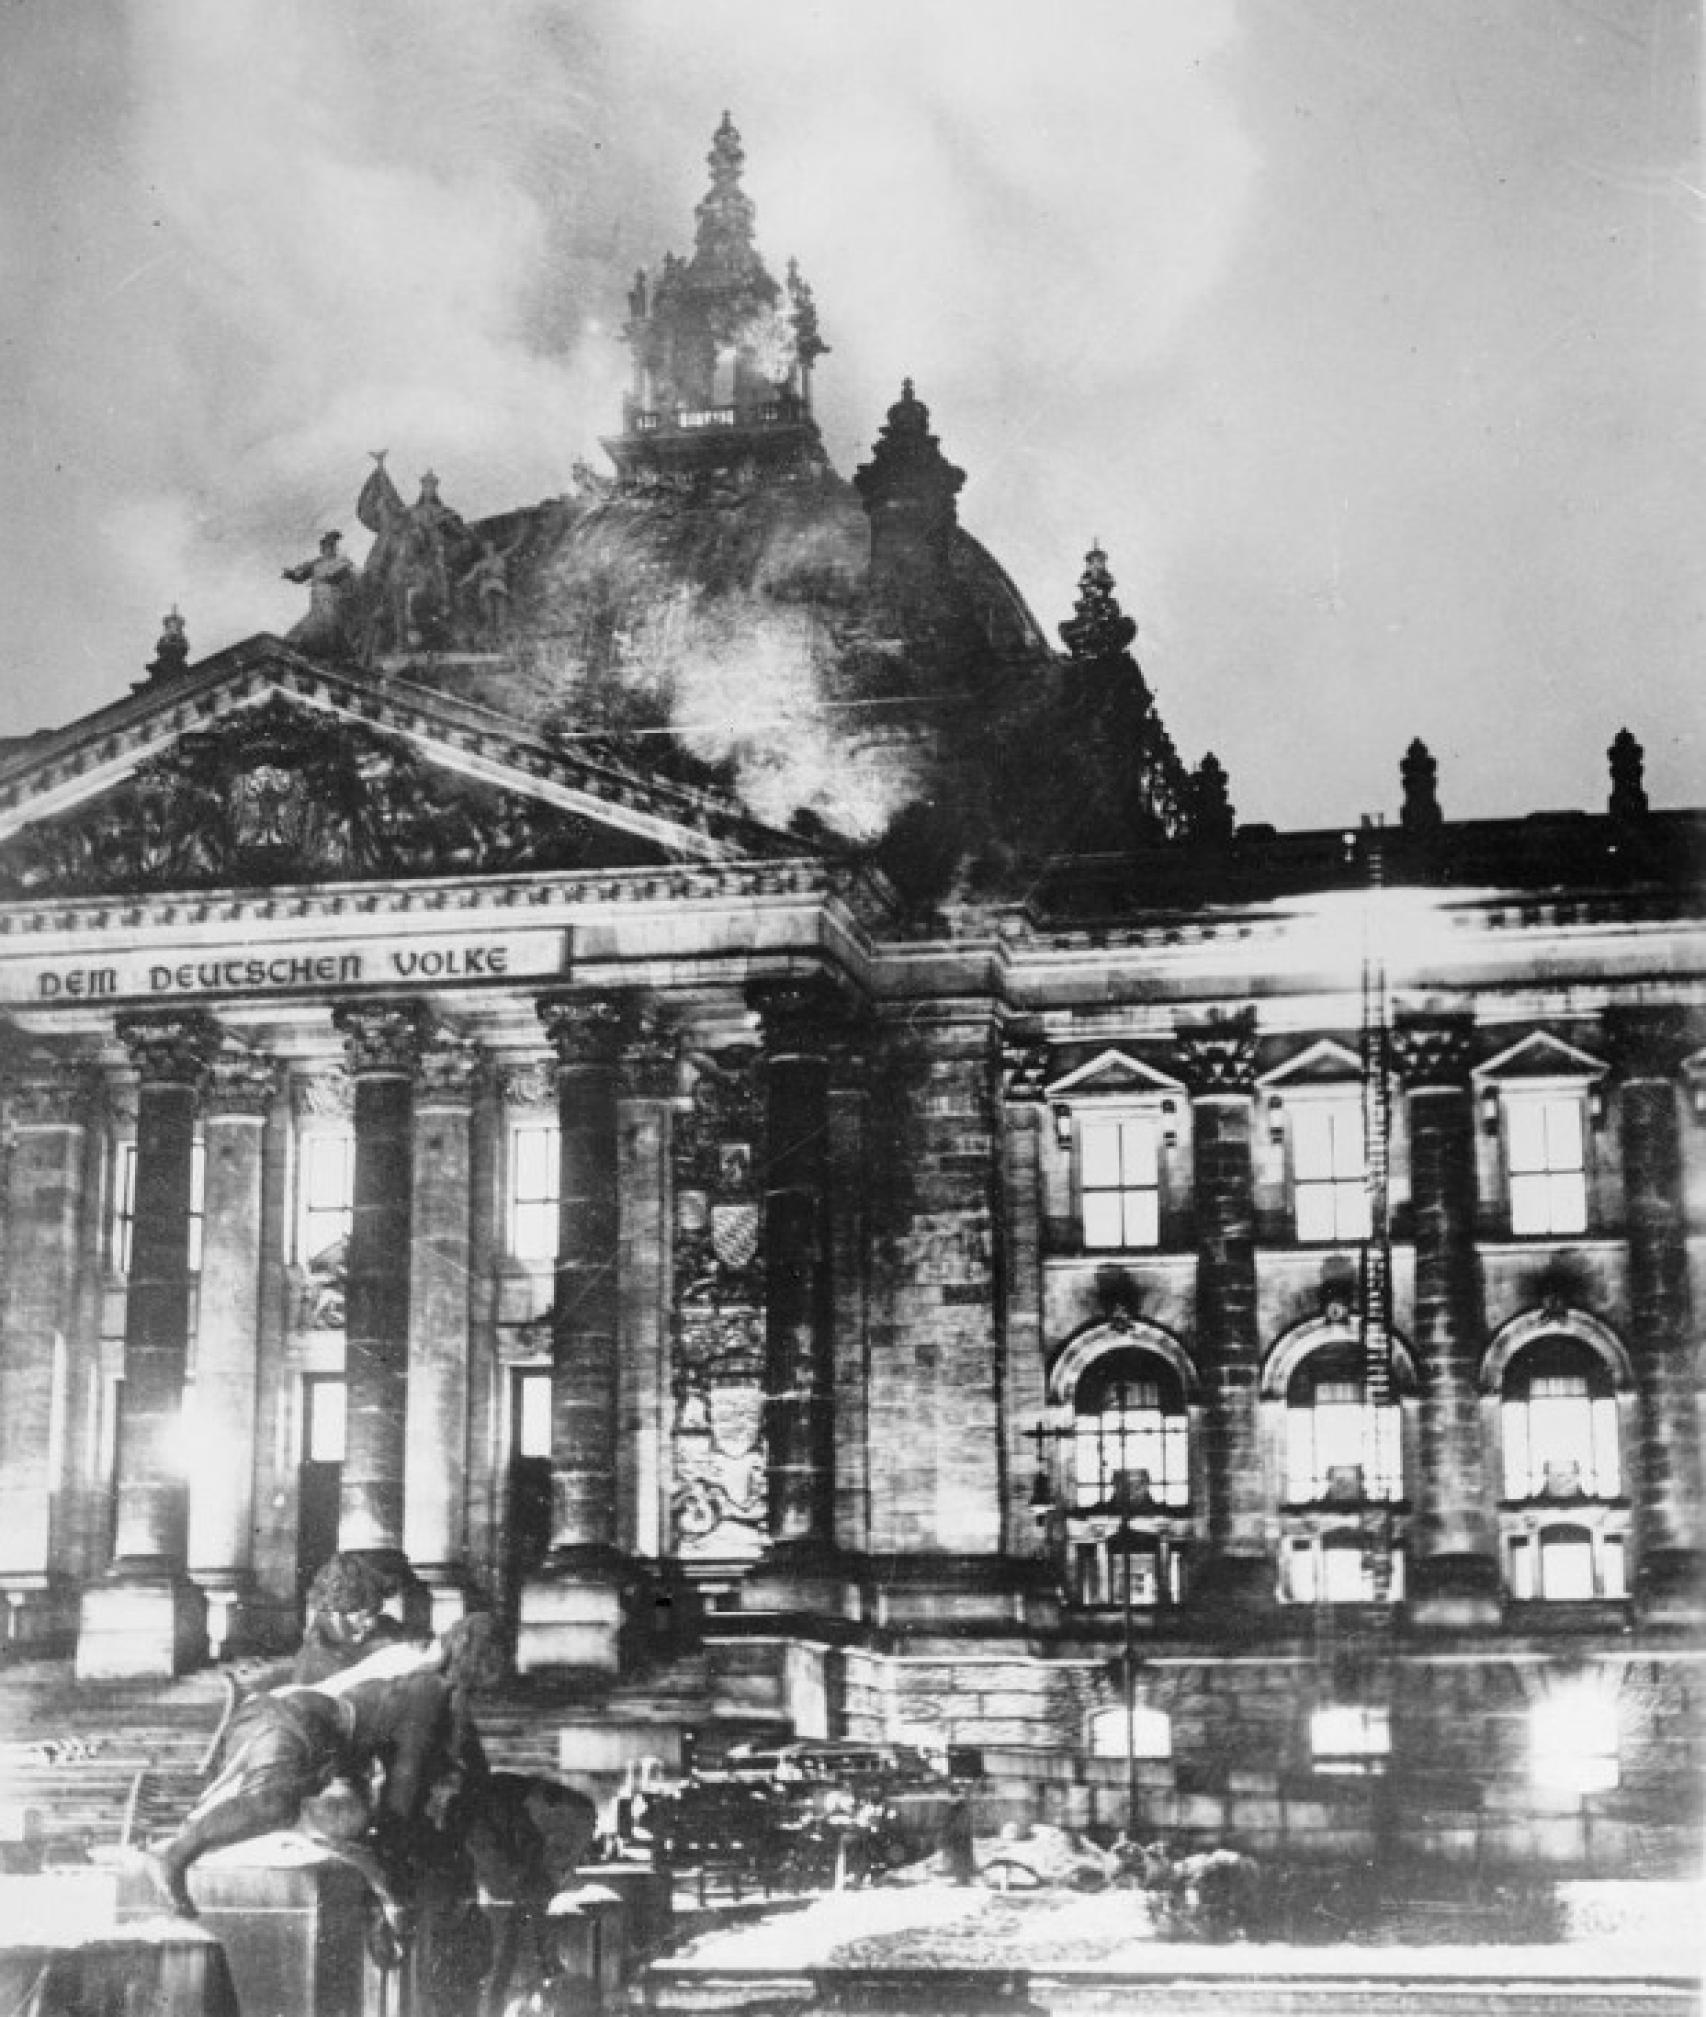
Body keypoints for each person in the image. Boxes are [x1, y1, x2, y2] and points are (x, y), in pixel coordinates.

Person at [282, 531, 357, 658]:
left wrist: (337, 580)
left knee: (329, 618)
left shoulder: (343, 562)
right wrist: (291, 574)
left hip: (333, 594)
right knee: (319, 616)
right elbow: (300, 575)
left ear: (335, 547)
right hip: (318, 593)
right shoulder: (317, 563)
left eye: (331, 546)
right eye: (325, 547)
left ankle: (335, 650)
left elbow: (349, 579)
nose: (328, 549)